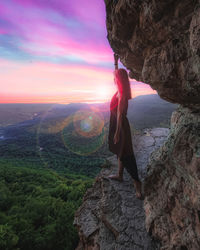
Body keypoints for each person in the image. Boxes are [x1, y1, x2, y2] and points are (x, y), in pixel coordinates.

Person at [108, 53, 143, 199]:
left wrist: (117, 133)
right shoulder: (119, 90)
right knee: (119, 151)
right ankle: (120, 175)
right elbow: (115, 73)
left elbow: (121, 115)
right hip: (116, 123)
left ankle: (137, 186)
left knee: (127, 154)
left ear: (119, 80)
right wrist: (115, 62)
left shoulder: (122, 96)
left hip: (120, 127)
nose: (114, 79)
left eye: (116, 78)